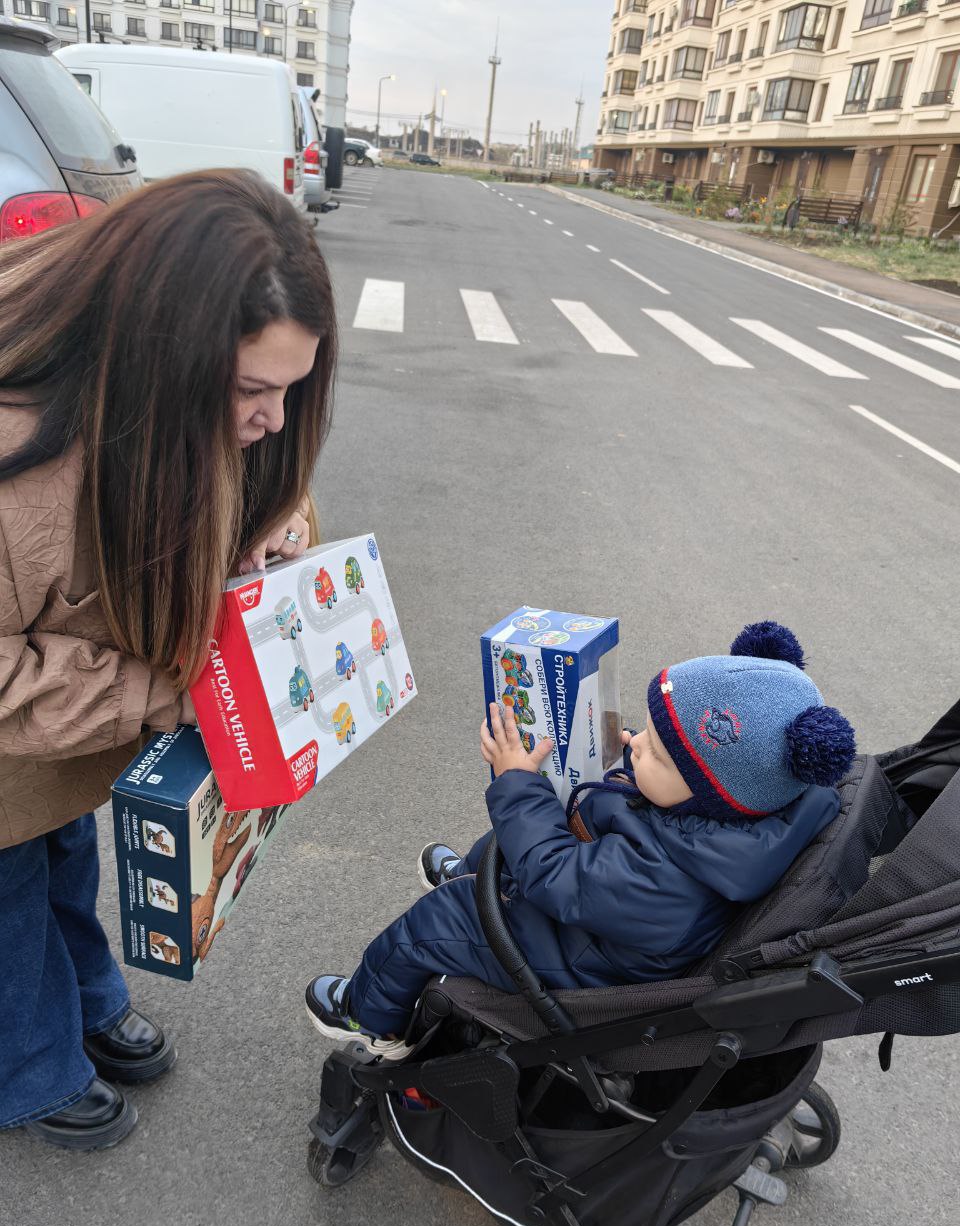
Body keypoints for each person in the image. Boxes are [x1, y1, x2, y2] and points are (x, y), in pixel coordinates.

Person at [0, 170, 338, 1149]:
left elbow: (270, 477)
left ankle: (90, 1002)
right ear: (163, 354)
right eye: (254, 392)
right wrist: (160, 693)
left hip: (67, 727)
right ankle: (30, 1064)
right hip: (31, 717)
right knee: (9, 894)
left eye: (293, 388)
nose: (274, 418)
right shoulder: (19, 457)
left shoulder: (171, 397)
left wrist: (280, 526)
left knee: (64, 851)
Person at [306, 621, 856, 1060]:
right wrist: (630, 767)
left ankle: (370, 1016)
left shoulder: (667, 883)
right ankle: (476, 876)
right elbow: (634, 816)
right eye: (647, 734)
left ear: (709, 795)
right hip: (602, 913)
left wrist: (515, 781)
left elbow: (553, 876)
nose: (637, 742)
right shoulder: (740, 810)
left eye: (656, 753)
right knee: (543, 824)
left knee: (441, 916)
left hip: (585, 961)